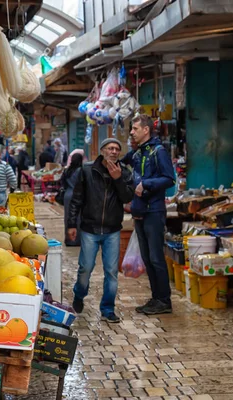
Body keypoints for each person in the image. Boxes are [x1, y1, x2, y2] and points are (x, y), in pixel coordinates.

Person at [67, 138, 135, 323]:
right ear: (102, 150)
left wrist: (118, 179)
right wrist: (71, 224)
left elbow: (128, 197)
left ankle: (107, 309)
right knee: (85, 268)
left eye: (117, 149)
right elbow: (76, 199)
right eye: (110, 148)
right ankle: (79, 295)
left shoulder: (125, 172)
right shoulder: (87, 170)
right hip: (90, 228)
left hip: (112, 230)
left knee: (111, 272)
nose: (114, 151)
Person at [129, 114, 176, 315]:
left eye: (135, 128)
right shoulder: (139, 153)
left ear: (146, 130)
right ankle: (156, 298)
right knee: (147, 258)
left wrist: (146, 184)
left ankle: (164, 300)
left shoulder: (158, 152)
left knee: (156, 257)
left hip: (154, 212)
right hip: (140, 211)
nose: (132, 132)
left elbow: (169, 179)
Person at [62, 153, 83, 247]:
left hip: (67, 194)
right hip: (78, 195)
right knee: (78, 217)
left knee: (68, 217)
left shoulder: (67, 171)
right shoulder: (81, 171)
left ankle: (69, 239)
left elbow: (62, 183)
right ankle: (77, 239)